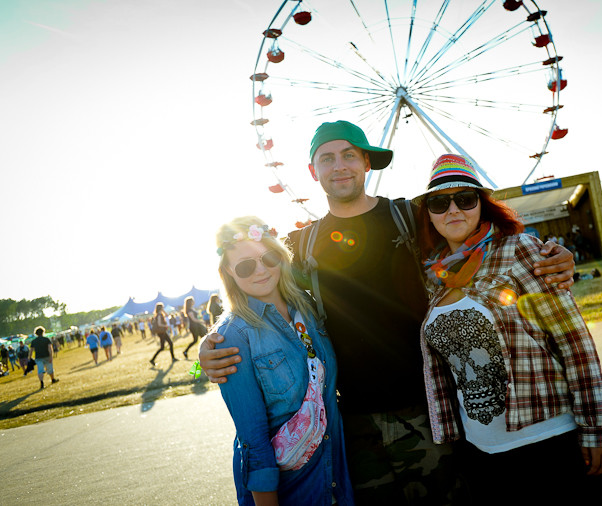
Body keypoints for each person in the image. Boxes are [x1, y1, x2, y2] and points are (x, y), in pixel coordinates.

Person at [199, 120, 577, 504]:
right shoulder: (301, 245)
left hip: (432, 410)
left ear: (367, 163)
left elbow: (480, 238)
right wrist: (206, 352)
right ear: (314, 172)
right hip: (354, 424)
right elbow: (254, 295)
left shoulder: (411, 218)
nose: (339, 165)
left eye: (349, 155)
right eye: (327, 158)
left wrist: (554, 256)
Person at [413, 154, 602, 504]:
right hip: (482, 453)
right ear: (428, 213)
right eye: (438, 201)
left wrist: (597, 428)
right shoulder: (432, 276)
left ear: (482, 204)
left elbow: (574, 343)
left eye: (465, 198)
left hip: (550, 443)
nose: (452, 210)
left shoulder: (520, 250)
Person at [213, 216, 353, 505]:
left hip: (335, 476)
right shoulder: (233, 336)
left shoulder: (309, 307)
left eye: (269, 257)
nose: (261, 270)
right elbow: (252, 439)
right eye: (246, 265)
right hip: (292, 489)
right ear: (228, 270)